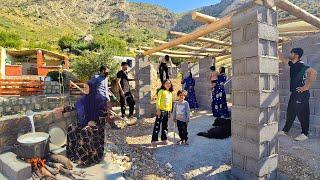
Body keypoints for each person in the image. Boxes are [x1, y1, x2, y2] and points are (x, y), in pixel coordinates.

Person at [278, 48, 317, 141]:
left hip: (301, 94)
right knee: (290, 112)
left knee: (302, 113)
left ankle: (304, 133)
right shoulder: (293, 64)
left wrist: (306, 87)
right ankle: (285, 130)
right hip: (294, 93)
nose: (290, 54)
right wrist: (276, 47)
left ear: (296, 55)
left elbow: (313, 72)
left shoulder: (301, 65)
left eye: (291, 53)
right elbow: (283, 59)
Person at [66, 78, 106, 167]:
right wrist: (63, 110)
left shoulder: (100, 99)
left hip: (96, 125)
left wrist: (94, 121)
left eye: (86, 87)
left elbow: (103, 113)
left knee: (85, 131)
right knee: (71, 128)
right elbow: (74, 106)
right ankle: (73, 155)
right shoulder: (84, 98)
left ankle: (85, 159)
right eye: (83, 87)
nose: (84, 89)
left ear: (92, 88)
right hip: (85, 122)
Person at [151, 79, 174, 147]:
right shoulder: (161, 91)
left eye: (169, 83)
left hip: (167, 112)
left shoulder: (170, 93)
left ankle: (164, 139)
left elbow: (170, 103)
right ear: (164, 84)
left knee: (165, 126)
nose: (168, 84)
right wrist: (158, 109)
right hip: (161, 111)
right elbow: (158, 101)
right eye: (166, 83)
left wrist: (170, 111)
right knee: (157, 126)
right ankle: (154, 140)